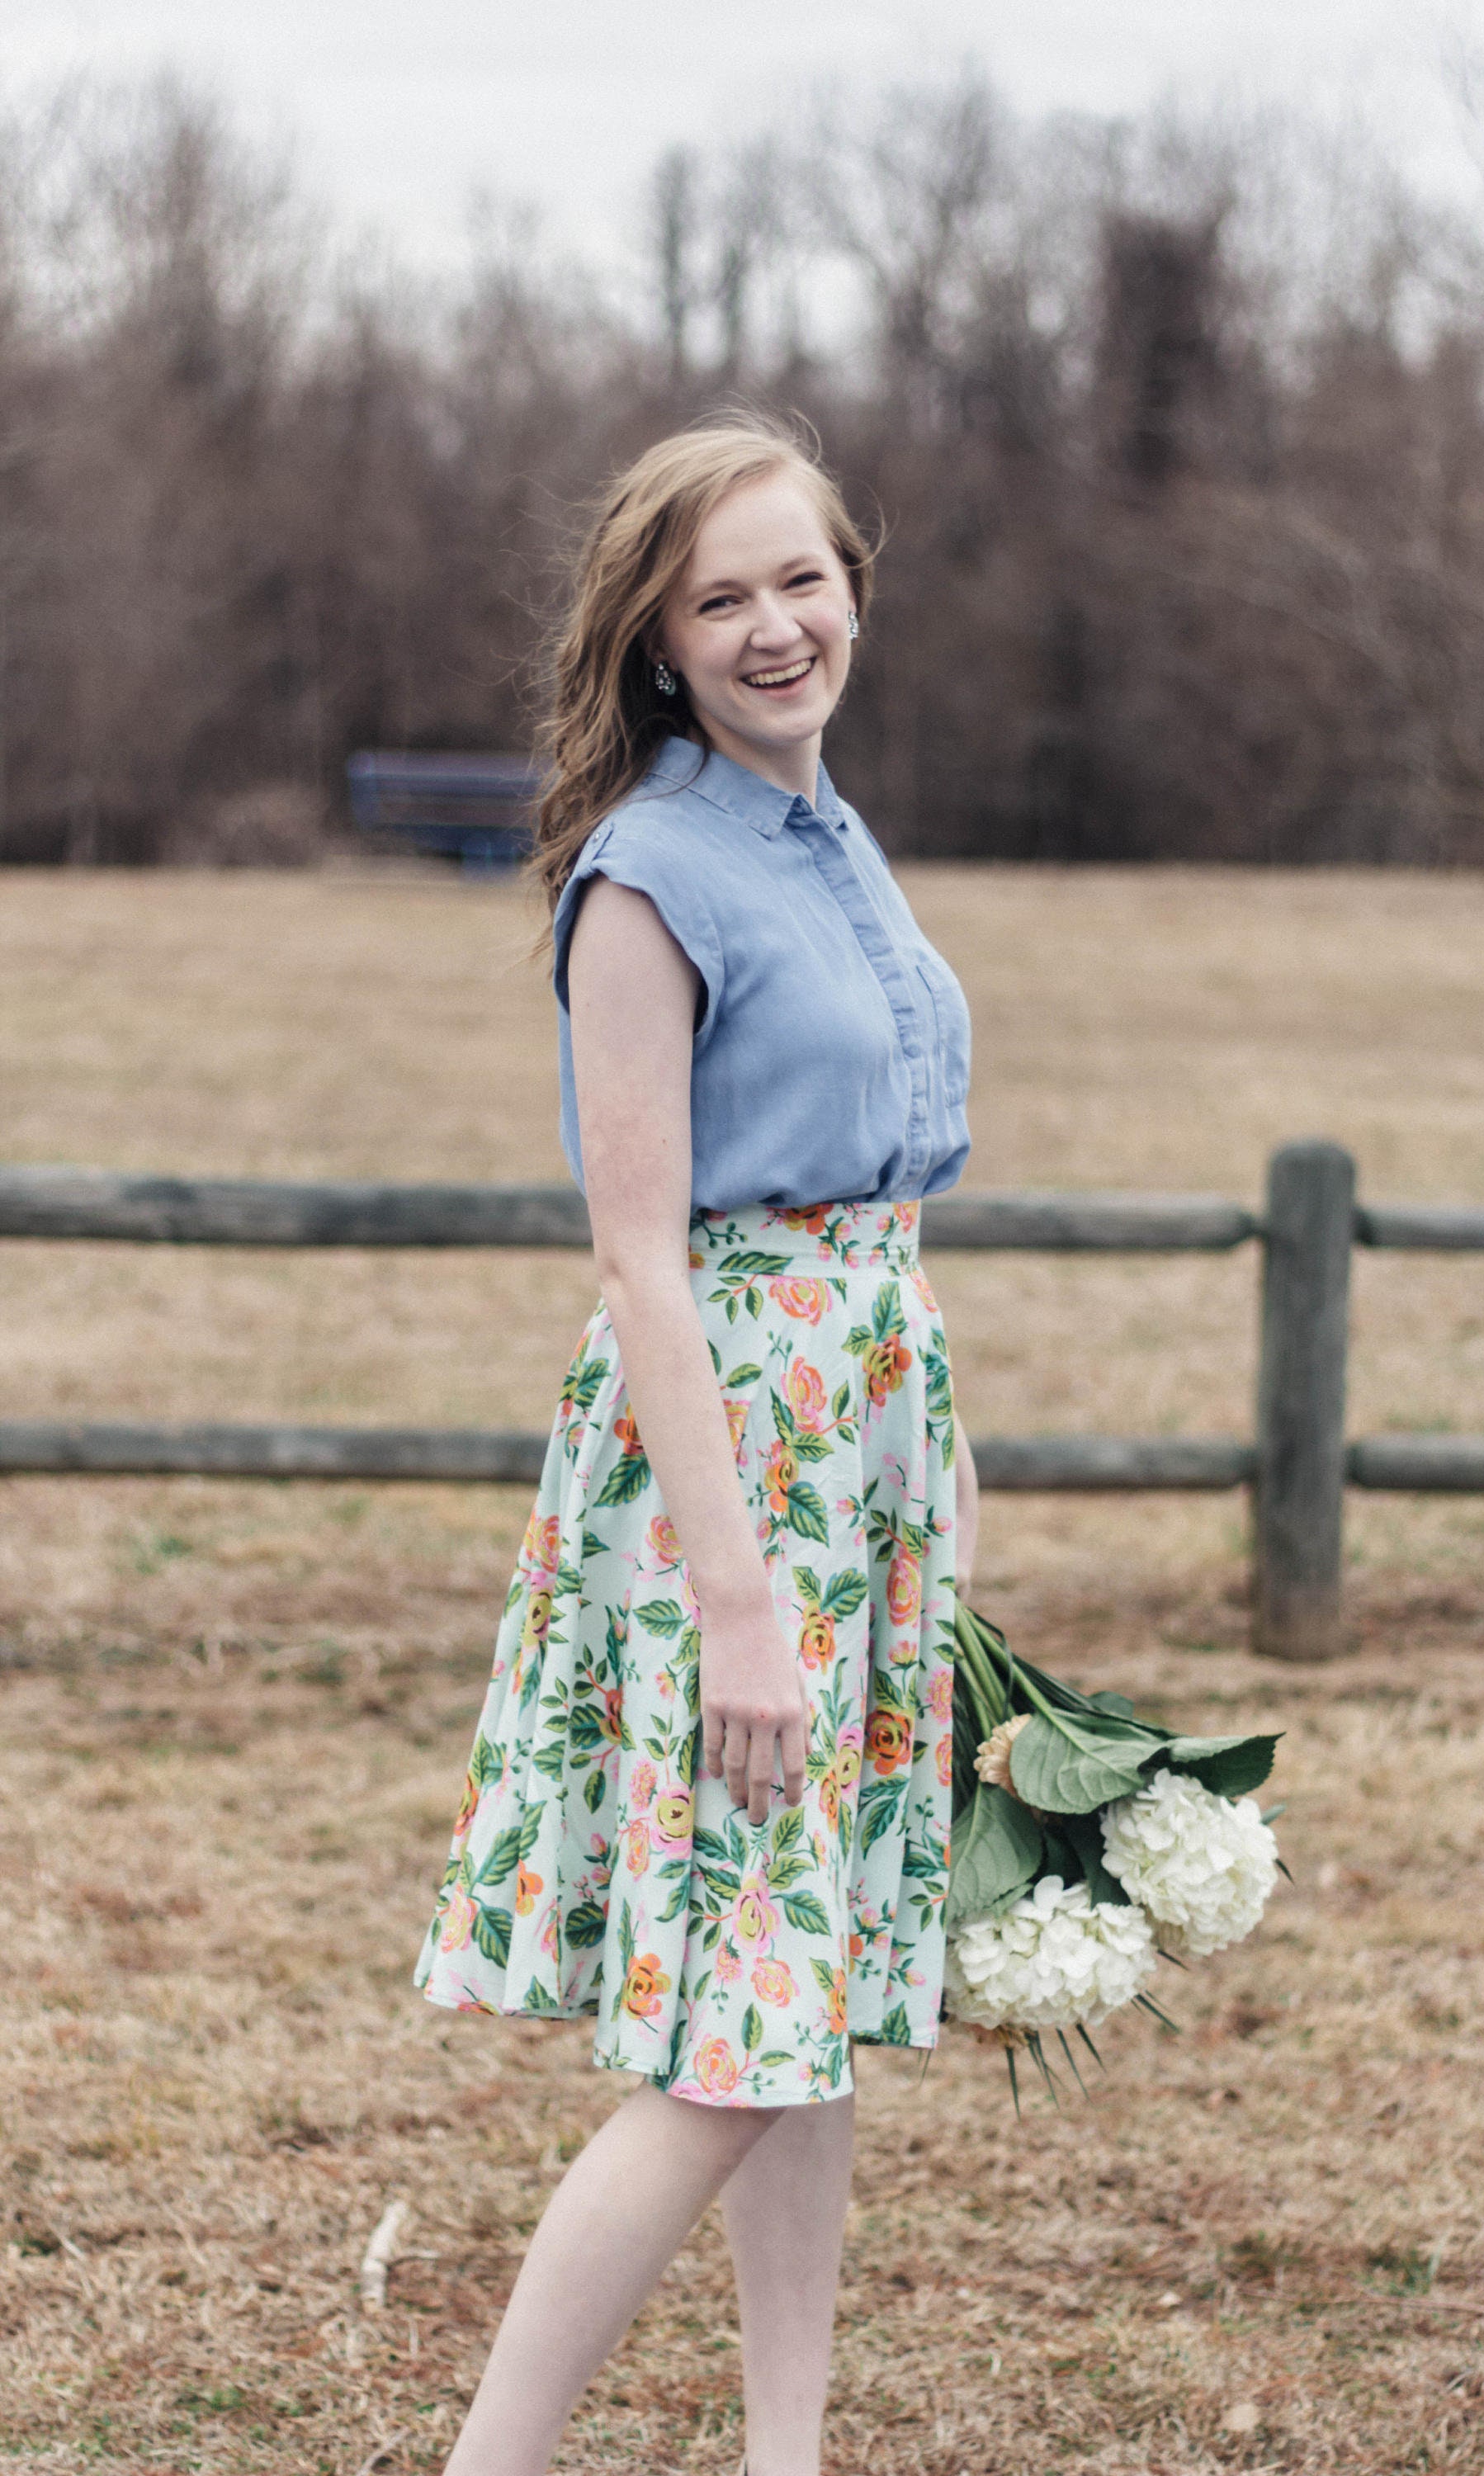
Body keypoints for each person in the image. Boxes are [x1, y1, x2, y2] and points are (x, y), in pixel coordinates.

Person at [414, 412, 978, 2476]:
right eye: (720, 597)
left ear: (853, 586)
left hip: (863, 1460)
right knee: (734, 2037)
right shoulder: (650, 872)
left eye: (800, 580)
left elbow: (877, 1218)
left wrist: (939, 1488)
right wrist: (740, 1601)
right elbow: (646, 1265)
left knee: (798, 2000)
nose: (772, 627)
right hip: (729, 1485)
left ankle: (785, 2455)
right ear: (656, 637)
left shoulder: (829, 829)